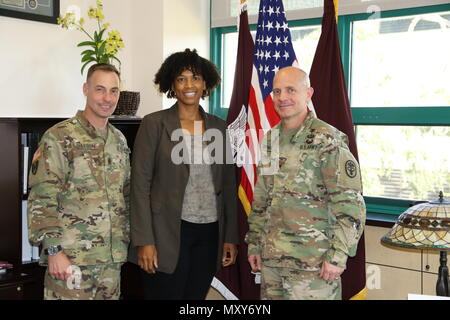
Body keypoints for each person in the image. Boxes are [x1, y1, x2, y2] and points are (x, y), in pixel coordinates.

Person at [245, 66, 366, 300]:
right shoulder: (271, 139)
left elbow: (350, 205)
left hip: (313, 266)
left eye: (291, 90)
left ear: (308, 94)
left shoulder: (327, 139)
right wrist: (254, 243)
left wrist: (338, 255)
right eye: (277, 91)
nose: (283, 98)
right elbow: (262, 197)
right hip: (272, 263)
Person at [128, 48, 238, 300]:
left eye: (195, 78)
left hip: (209, 235)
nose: (189, 84)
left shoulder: (218, 127)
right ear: (172, 85)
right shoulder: (154, 123)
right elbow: (139, 186)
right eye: (181, 78)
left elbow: (228, 185)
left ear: (205, 83)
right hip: (166, 234)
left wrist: (229, 237)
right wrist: (144, 240)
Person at [27, 63, 131, 300]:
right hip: (70, 261)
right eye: (100, 89)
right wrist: (53, 250)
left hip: (111, 263)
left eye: (113, 91)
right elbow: (42, 197)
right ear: (86, 89)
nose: (107, 98)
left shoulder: (119, 140)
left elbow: (125, 196)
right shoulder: (59, 137)